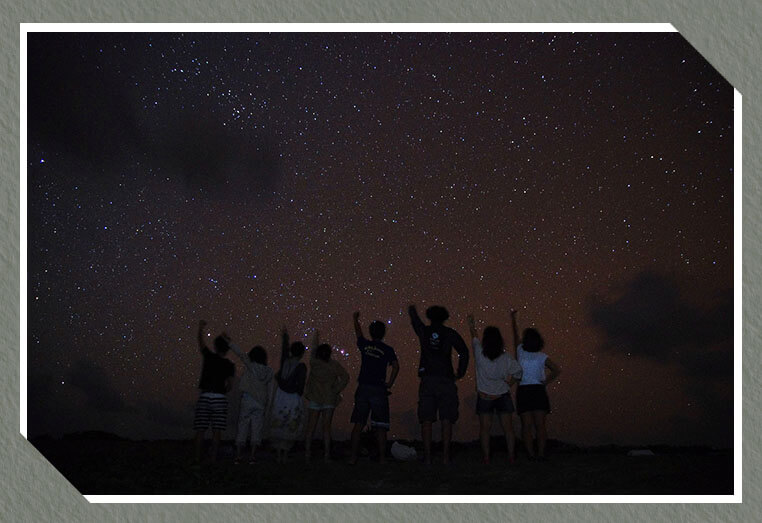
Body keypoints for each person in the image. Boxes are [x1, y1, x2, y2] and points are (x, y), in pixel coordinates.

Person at [408, 304, 469, 465]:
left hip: (428, 379)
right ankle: (445, 457)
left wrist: (412, 309)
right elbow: (464, 351)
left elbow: (415, 322)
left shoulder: (424, 332)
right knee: (447, 418)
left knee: (426, 419)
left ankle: (427, 458)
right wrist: (460, 372)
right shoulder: (450, 333)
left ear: (429, 316)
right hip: (446, 380)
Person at [467, 314, 523, 464]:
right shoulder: (506, 358)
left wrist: (471, 324)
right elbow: (518, 373)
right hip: (503, 395)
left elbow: (474, 337)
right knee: (508, 428)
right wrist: (509, 384)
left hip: (485, 396)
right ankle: (511, 456)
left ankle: (486, 458)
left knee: (485, 429)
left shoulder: (479, 353)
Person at [349, 311, 399, 464]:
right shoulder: (388, 349)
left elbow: (358, 334)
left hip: (363, 388)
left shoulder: (365, 345)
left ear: (371, 333)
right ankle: (383, 459)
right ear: (384, 333)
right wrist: (389, 383)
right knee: (381, 427)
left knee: (358, 424)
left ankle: (353, 458)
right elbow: (396, 366)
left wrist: (355, 319)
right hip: (379, 389)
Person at [510, 309, 561, 460]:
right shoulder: (542, 356)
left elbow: (516, 334)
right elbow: (557, 370)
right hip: (538, 390)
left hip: (524, 390)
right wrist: (545, 382)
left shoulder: (520, 351)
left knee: (526, 426)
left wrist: (514, 319)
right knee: (540, 426)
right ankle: (540, 453)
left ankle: (531, 454)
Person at [303, 330, 350, 463]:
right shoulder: (334, 365)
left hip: (315, 398)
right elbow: (346, 377)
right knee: (326, 428)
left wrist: (316, 338)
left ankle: (307, 454)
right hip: (329, 399)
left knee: (310, 427)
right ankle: (326, 455)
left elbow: (312, 350)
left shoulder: (314, 363)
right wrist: (336, 389)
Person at [193, 320, 235, 463]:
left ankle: (197, 459)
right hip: (219, 398)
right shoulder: (229, 365)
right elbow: (230, 385)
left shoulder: (209, 357)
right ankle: (213, 459)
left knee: (200, 430)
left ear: (215, 347)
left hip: (205, 396)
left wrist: (200, 328)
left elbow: (201, 343)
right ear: (227, 349)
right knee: (217, 431)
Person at [229, 342, 274, 465]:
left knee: (242, 427)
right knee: (256, 429)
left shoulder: (251, 366)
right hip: (260, 403)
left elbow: (241, 354)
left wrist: (230, 343)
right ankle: (252, 457)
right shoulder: (269, 371)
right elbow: (270, 391)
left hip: (247, 400)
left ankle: (238, 456)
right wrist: (268, 406)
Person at [269, 326, 307, 463]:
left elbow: (284, 350)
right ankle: (284, 455)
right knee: (290, 423)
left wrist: (285, 337)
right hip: (293, 398)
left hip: (281, 396)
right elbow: (301, 385)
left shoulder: (285, 361)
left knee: (280, 422)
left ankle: (278, 454)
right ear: (302, 353)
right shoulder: (301, 367)